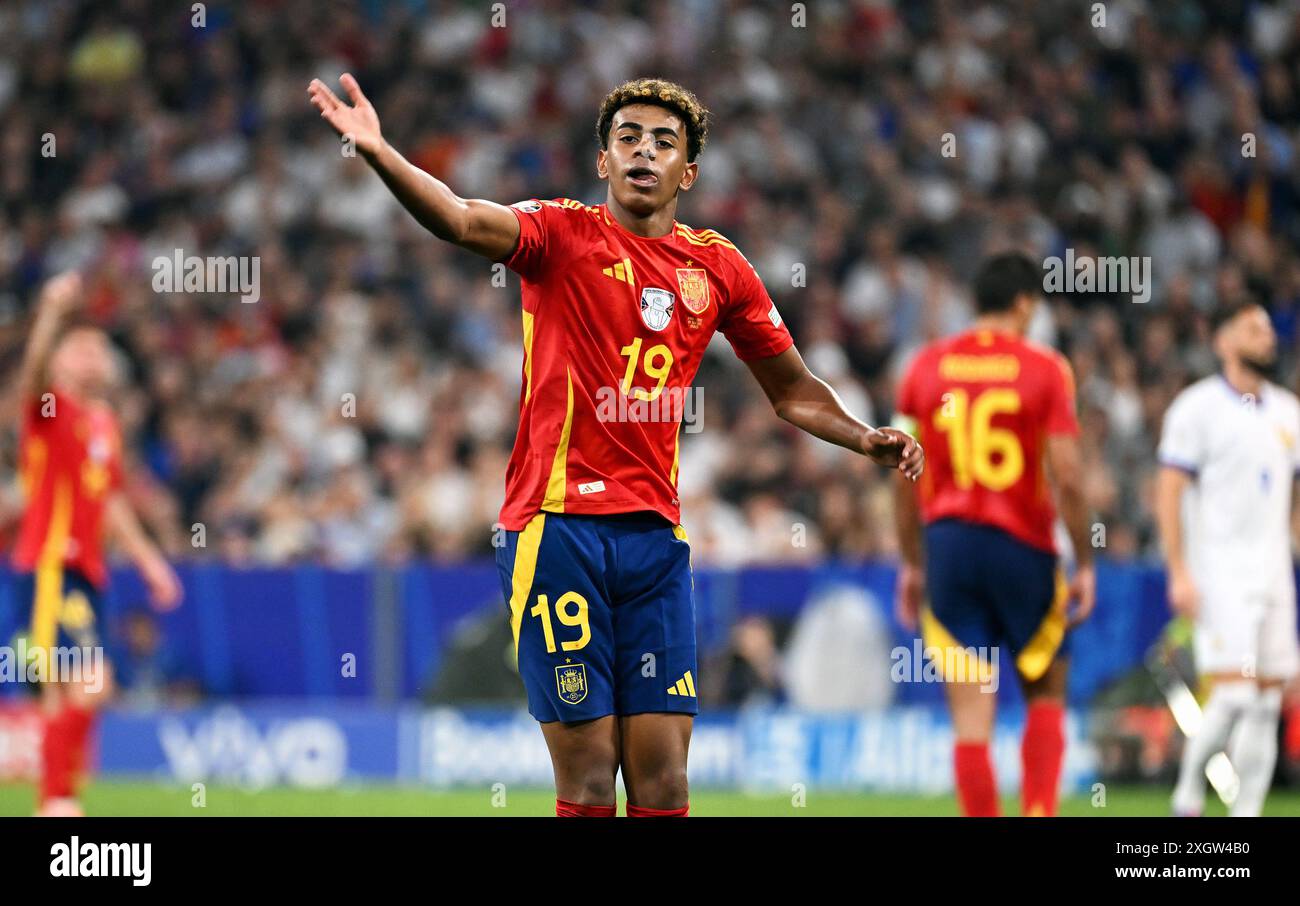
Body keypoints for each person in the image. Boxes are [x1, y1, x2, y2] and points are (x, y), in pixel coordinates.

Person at [308, 74, 923, 817]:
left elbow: (790, 390)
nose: (643, 151)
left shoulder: (717, 268)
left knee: (664, 784)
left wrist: (863, 438)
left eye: (665, 142)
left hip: (655, 542)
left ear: (687, 173)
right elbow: (463, 221)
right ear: (603, 160)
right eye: (627, 137)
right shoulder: (560, 235)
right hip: (556, 529)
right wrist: (379, 152)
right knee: (592, 782)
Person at [892, 252, 1094, 816]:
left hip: (950, 545)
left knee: (971, 719)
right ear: (1025, 303)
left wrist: (912, 562)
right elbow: (1070, 477)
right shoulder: (1046, 367)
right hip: (1023, 545)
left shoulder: (924, 367)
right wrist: (1087, 562)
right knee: (1047, 692)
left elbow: (898, 474)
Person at [4, 272, 182, 816]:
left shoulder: (105, 423)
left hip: (89, 573)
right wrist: (52, 314)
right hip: (52, 565)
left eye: (98, 348)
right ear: (58, 362)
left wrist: (151, 562)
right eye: (79, 348)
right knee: (90, 682)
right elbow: (30, 382)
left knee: (66, 691)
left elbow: (111, 503)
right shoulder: (49, 411)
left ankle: (55, 803)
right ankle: (57, 800)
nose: (92, 356)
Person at [1156, 298, 1300, 817]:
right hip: (1219, 570)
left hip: (1274, 572)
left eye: (1268, 327)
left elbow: (1293, 492)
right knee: (1235, 696)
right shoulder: (1196, 409)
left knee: (1265, 704)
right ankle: (1188, 796)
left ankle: (1246, 817)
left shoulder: (1289, 411)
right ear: (1224, 342)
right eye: (1253, 328)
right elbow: (1169, 487)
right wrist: (1178, 569)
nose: (1268, 337)